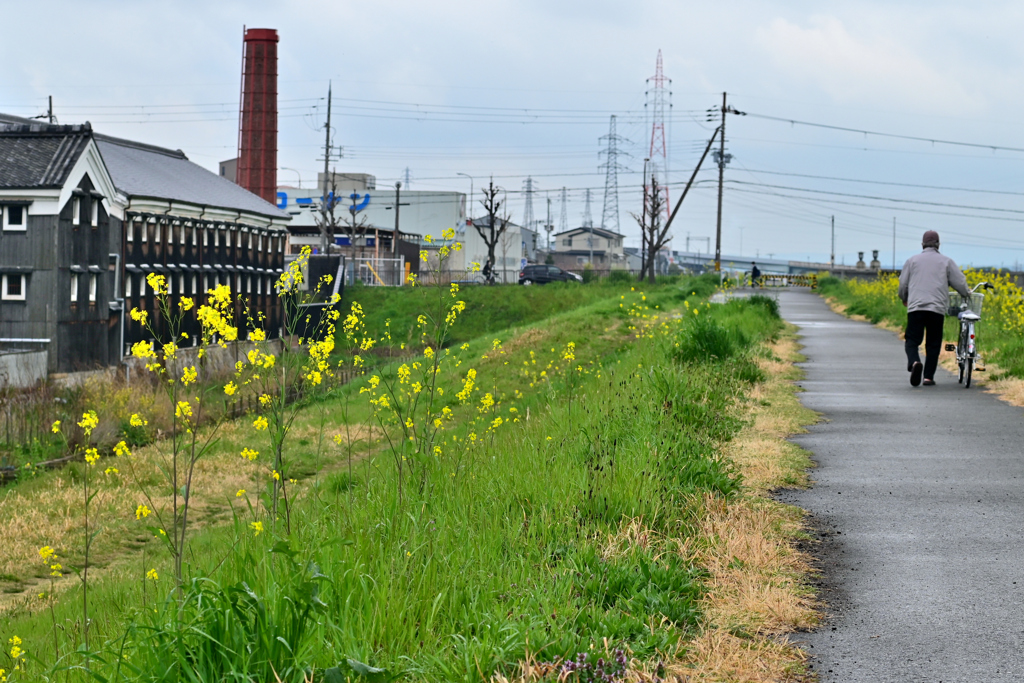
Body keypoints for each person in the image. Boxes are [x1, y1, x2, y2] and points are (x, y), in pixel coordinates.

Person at [898, 230, 969, 387]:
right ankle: (928, 377)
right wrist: (966, 294)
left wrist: (904, 298)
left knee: (912, 340)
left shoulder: (912, 261)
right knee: (933, 343)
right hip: (936, 309)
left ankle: (915, 362)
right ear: (938, 244)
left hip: (916, 307)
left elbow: (903, 284)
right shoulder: (946, 261)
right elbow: (960, 283)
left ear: (922, 244)